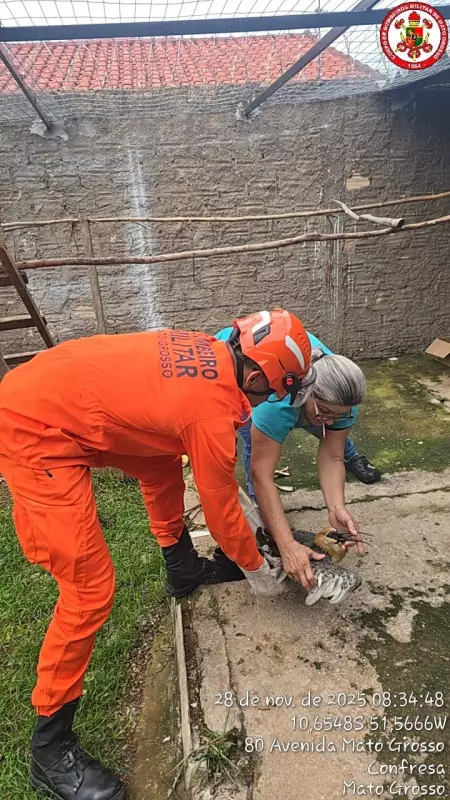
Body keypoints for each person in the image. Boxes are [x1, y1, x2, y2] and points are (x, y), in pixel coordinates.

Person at [0, 309, 322, 800]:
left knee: (161, 459)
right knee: (88, 589)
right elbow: (220, 510)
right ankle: (50, 748)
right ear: (255, 376)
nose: (273, 401)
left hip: (59, 392)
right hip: (34, 428)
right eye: (275, 392)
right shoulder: (211, 414)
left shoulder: (208, 353)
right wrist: (258, 568)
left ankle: (181, 567)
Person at [215, 327, 371, 592]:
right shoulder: (274, 403)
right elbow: (261, 474)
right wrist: (286, 546)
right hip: (246, 377)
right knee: (255, 453)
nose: (332, 421)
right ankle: (262, 515)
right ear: (306, 393)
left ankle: (342, 443)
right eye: (326, 411)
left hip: (308, 393)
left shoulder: (343, 400)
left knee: (330, 430)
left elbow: (333, 454)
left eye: (340, 415)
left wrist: (336, 507)